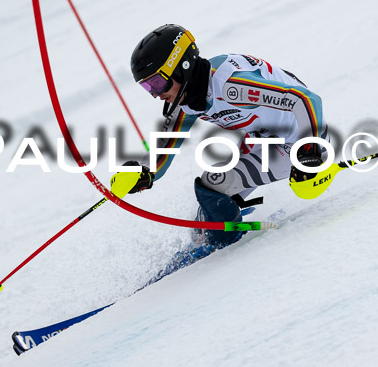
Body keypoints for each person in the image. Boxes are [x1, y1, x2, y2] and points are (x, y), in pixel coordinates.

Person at [111, 24, 329, 248]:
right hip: (264, 139)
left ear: (181, 66)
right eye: (148, 87)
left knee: (212, 186)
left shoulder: (230, 86)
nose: (156, 94)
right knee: (203, 223)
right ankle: (218, 239)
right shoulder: (188, 98)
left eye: (157, 82)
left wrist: (309, 150)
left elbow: (306, 99)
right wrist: (144, 173)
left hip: (300, 144)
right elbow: (164, 148)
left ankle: (225, 254)